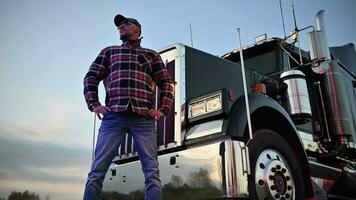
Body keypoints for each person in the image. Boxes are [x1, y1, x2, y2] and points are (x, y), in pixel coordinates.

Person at [82, 14, 175, 200]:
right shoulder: (109, 52)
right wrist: (95, 105)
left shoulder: (151, 55)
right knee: (98, 169)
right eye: (119, 25)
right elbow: (90, 77)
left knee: (151, 171)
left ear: (137, 29)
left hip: (143, 120)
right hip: (114, 116)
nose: (121, 26)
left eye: (126, 23)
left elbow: (167, 83)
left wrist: (162, 109)